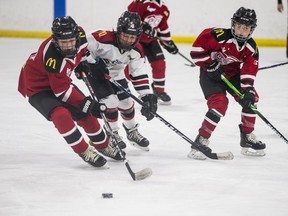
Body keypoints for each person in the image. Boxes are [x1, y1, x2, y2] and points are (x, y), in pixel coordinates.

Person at [18, 16, 122, 168]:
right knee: (61, 114)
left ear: (76, 36)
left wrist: (86, 64)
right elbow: (61, 92)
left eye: (71, 41)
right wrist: (88, 104)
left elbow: (83, 52)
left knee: (84, 113)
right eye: (63, 42)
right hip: (38, 87)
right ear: (55, 41)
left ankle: (103, 145)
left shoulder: (80, 35)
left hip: (60, 81)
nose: (68, 46)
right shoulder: (52, 58)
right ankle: (84, 150)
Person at [188, 7, 266, 160]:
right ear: (233, 24)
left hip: (232, 75)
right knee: (219, 104)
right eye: (238, 26)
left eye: (246, 28)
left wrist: (248, 90)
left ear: (251, 29)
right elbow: (196, 52)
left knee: (251, 99)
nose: (241, 31)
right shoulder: (218, 36)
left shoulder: (251, 47)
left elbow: (249, 70)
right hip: (210, 75)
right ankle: (200, 141)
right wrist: (210, 64)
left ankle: (247, 137)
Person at [79, 11, 157, 151]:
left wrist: (146, 96)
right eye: (125, 36)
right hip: (95, 74)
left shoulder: (137, 50)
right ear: (118, 31)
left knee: (127, 102)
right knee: (110, 102)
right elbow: (80, 48)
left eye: (132, 37)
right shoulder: (100, 38)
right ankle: (112, 133)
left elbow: (137, 72)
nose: (128, 40)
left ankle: (131, 131)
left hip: (116, 74)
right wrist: (90, 62)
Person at [127, 0, 179, 105]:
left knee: (159, 64)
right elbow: (130, 16)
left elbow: (163, 26)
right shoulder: (142, 2)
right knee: (129, 66)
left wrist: (167, 42)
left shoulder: (164, 9)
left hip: (151, 41)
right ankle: (120, 88)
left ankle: (159, 91)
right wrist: (141, 24)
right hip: (136, 40)